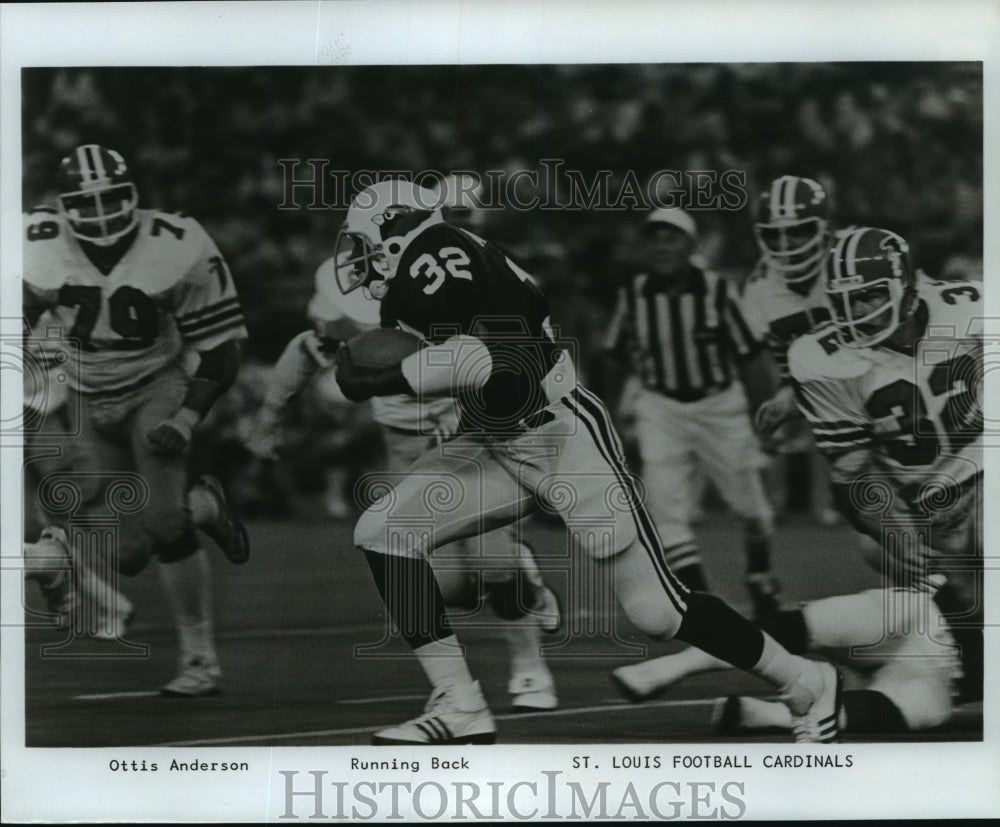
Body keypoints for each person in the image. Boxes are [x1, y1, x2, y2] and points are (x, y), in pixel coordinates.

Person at [330, 180, 841, 745]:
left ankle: (807, 682)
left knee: (657, 610)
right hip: (496, 437)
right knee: (385, 532)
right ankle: (460, 705)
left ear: (396, 233)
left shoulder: (438, 253)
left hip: (559, 435)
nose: (359, 260)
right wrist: (380, 364)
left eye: (364, 244)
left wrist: (389, 376)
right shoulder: (433, 267)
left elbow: (503, 360)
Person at [250, 248, 561, 711]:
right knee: (448, 588)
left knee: (493, 564)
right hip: (408, 447)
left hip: (474, 434)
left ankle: (530, 668)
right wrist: (268, 422)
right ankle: (525, 573)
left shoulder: (449, 297)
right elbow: (304, 350)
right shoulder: (345, 319)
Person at [22, 144, 251, 696]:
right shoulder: (34, 243)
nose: (101, 214)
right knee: (126, 556)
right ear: (63, 207)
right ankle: (203, 506)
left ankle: (199, 660)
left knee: (165, 525)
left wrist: (188, 418)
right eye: (86, 202)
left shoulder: (177, 241)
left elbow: (222, 349)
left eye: (112, 198)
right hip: (83, 391)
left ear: (134, 195)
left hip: (155, 384)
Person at [602, 207, 780, 618]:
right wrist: (609, 414)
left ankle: (760, 573)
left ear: (690, 245)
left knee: (751, 508)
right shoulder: (634, 295)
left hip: (719, 405)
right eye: (655, 239)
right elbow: (614, 357)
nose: (663, 247)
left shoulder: (717, 291)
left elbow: (752, 358)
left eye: (672, 238)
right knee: (663, 509)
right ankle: (703, 605)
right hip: (661, 407)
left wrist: (765, 418)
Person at [788, 226, 982, 592]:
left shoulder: (969, 308)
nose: (857, 311)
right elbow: (851, 475)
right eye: (846, 300)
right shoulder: (824, 360)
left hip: (983, 478)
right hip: (925, 505)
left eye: (868, 296)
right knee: (877, 549)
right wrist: (894, 533)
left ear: (905, 287)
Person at [611, 581, 981, 737]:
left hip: (947, 675)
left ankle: (771, 715)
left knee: (923, 709)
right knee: (819, 623)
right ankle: (674, 666)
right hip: (926, 614)